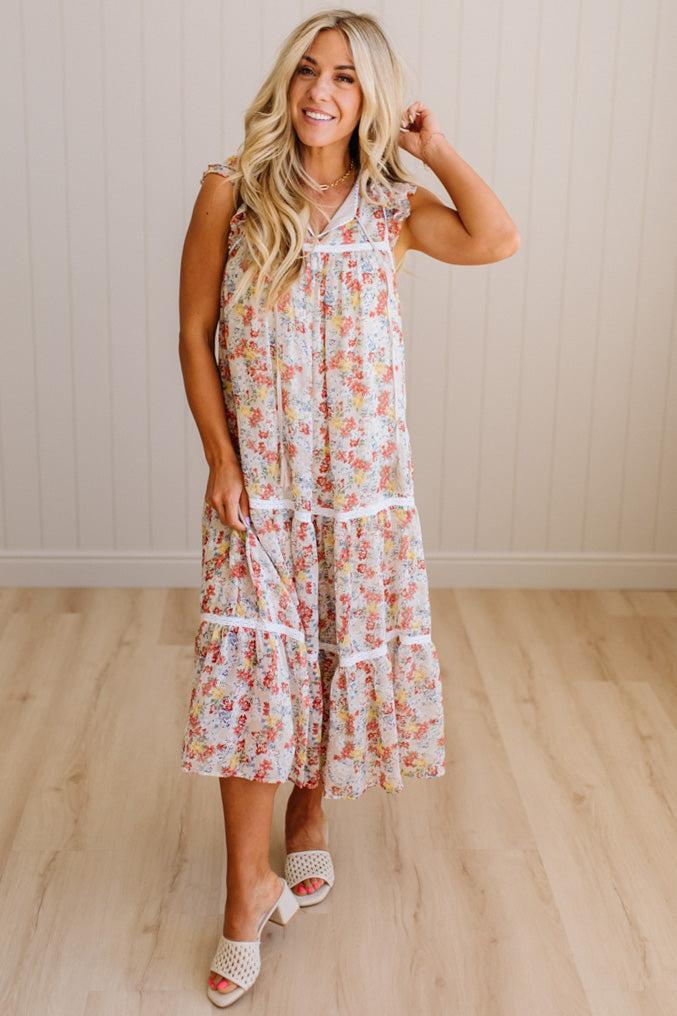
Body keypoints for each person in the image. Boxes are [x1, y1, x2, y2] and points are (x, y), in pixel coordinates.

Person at [178, 7, 519, 1007]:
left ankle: (310, 820)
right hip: (262, 489)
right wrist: (219, 458)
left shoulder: (389, 206)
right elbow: (194, 333)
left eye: (344, 78)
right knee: (252, 678)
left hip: (362, 496)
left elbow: (497, 238)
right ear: (285, 85)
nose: (319, 92)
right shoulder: (230, 192)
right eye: (306, 72)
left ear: (371, 96)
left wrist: (434, 144)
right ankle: (245, 893)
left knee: (327, 656)